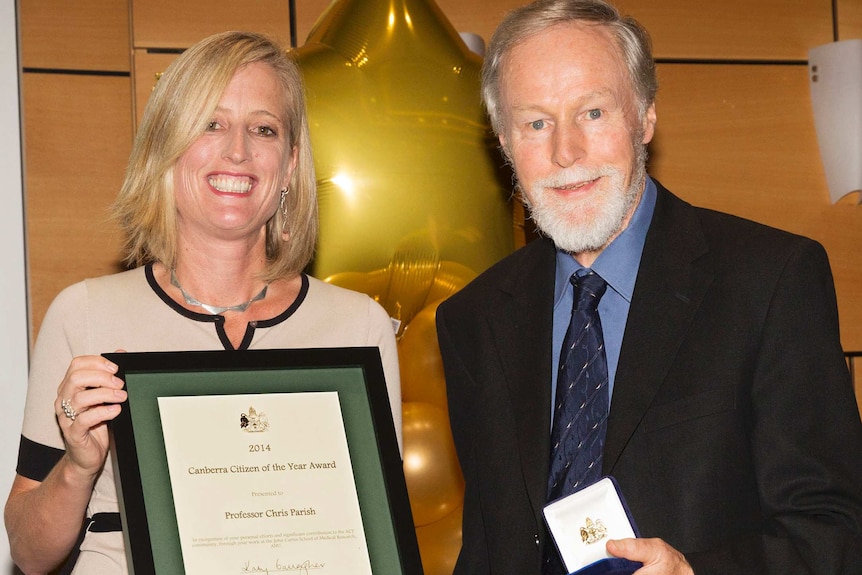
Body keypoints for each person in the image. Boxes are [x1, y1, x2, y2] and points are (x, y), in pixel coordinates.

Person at [435, 1, 862, 574]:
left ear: (646, 117)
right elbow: (490, 548)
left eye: (592, 112)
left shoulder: (769, 282)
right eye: (536, 123)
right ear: (505, 144)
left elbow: (837, 532)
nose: (566, 152)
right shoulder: (474, 319)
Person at [4, 31, 402, 574]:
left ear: (288, 165)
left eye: (264, 129)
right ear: (167, 150)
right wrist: (78, 465)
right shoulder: (85, 316)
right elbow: (28, 555)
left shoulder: (359, 326)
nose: (238, 150)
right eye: (211, 123)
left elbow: (374, 536)